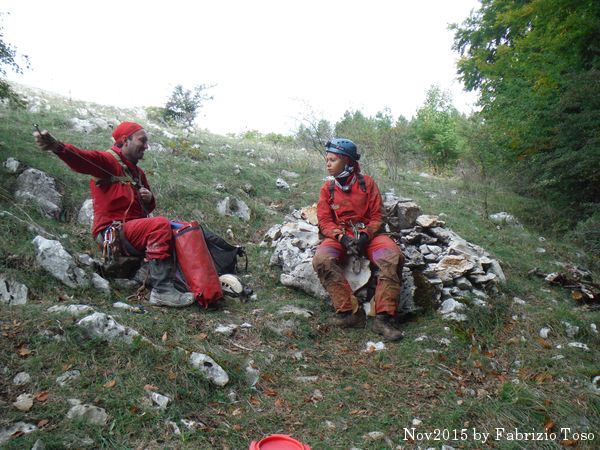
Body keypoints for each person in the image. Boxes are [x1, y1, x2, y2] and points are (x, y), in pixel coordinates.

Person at [33, 121, 206, 308]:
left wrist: (149, 199)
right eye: (142, 140)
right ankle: (162, 292)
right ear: (125, 140)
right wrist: (57, 147)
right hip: (112, 233)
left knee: (181, 230)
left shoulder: (138, 173)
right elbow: (82, 159)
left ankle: (199, 282)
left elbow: (147, 209)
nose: (146, 146)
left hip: (131, 233)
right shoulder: (107, 161)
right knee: (160, 224)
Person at [312, 138, 405, 340]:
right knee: (322, 260)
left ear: (347, 161)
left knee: (392, 256)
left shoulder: (367, 184)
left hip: (369, 236)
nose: (328, 164)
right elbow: (325, 221)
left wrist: (365, 235)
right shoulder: (327, 189)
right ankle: (349, 313)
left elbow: (378, 216)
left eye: (333, 160)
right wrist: (341, 238)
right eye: (327, 160)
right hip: (341, 236)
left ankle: (383, 319)